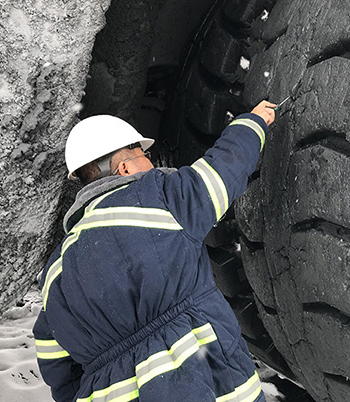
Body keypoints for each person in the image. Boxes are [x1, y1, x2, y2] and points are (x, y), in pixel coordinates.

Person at [33, 100, 277, 402]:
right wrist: (253, 123)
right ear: (124, 167)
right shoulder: (159, 199)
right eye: (142, 155)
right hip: (205, 386)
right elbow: (224, 168)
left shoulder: (56, 269)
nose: (150, 162)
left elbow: (54, 357)